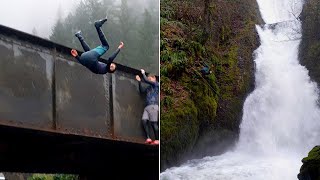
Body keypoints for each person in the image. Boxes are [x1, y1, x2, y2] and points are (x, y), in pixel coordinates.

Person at [136, 69, 159, 145]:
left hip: (153, 106)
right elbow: (141, 91)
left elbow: (145, 80)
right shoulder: (149, 87)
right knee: (144, 121)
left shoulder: (156, 84)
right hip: (147, 107)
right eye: (149, 79)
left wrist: (143, 73)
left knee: (153, 123)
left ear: (154, 78)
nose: (149, 81)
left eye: (150, 79)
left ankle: (157, 140)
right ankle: (148, 138)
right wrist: (139, 81)